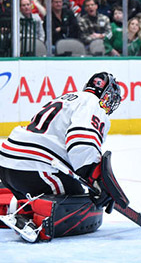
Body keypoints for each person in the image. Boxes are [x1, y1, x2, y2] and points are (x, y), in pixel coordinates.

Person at [0, 72, 123, 242]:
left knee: (63, 186)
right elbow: (81, 140)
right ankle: (41, 219)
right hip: (34, 166)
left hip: (8, 163)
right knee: (82, 202)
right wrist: (96, 178)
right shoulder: (94, 104)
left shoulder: (68, 97)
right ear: (107, 95)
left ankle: (11, 203)